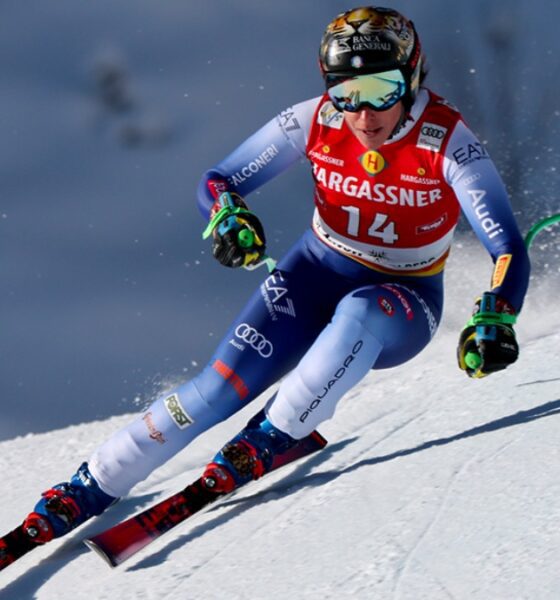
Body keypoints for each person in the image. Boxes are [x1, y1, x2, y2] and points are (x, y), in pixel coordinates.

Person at [1, 6, 530, 558]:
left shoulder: (448, 142)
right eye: (347, 92)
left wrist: (496, 314)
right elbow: (219, 179)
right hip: (314, 271)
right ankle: (88, 485)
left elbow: (507, 248)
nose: (364, 114)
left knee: (359, 314)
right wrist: (227, 214)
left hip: (404, 298)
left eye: (381, 89)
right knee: (213, 391)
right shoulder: (316, 120)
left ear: (413, 76)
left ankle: (275, 434)